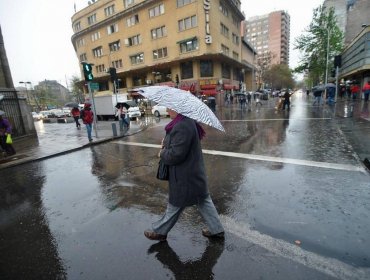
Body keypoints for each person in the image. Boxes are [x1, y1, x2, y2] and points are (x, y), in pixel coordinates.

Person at [144, 108, 224, 241]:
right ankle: (217, 229)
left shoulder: (182, 126)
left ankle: (160, 232)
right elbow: (180, 145)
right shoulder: (185, 121)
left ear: (177, 108)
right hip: (193, 174)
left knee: (175, 205)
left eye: (169, 108)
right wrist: (167, 142)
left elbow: (176, 155)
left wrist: (162, 153)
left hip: (185, 176)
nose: (167, 110)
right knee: (203, 200)